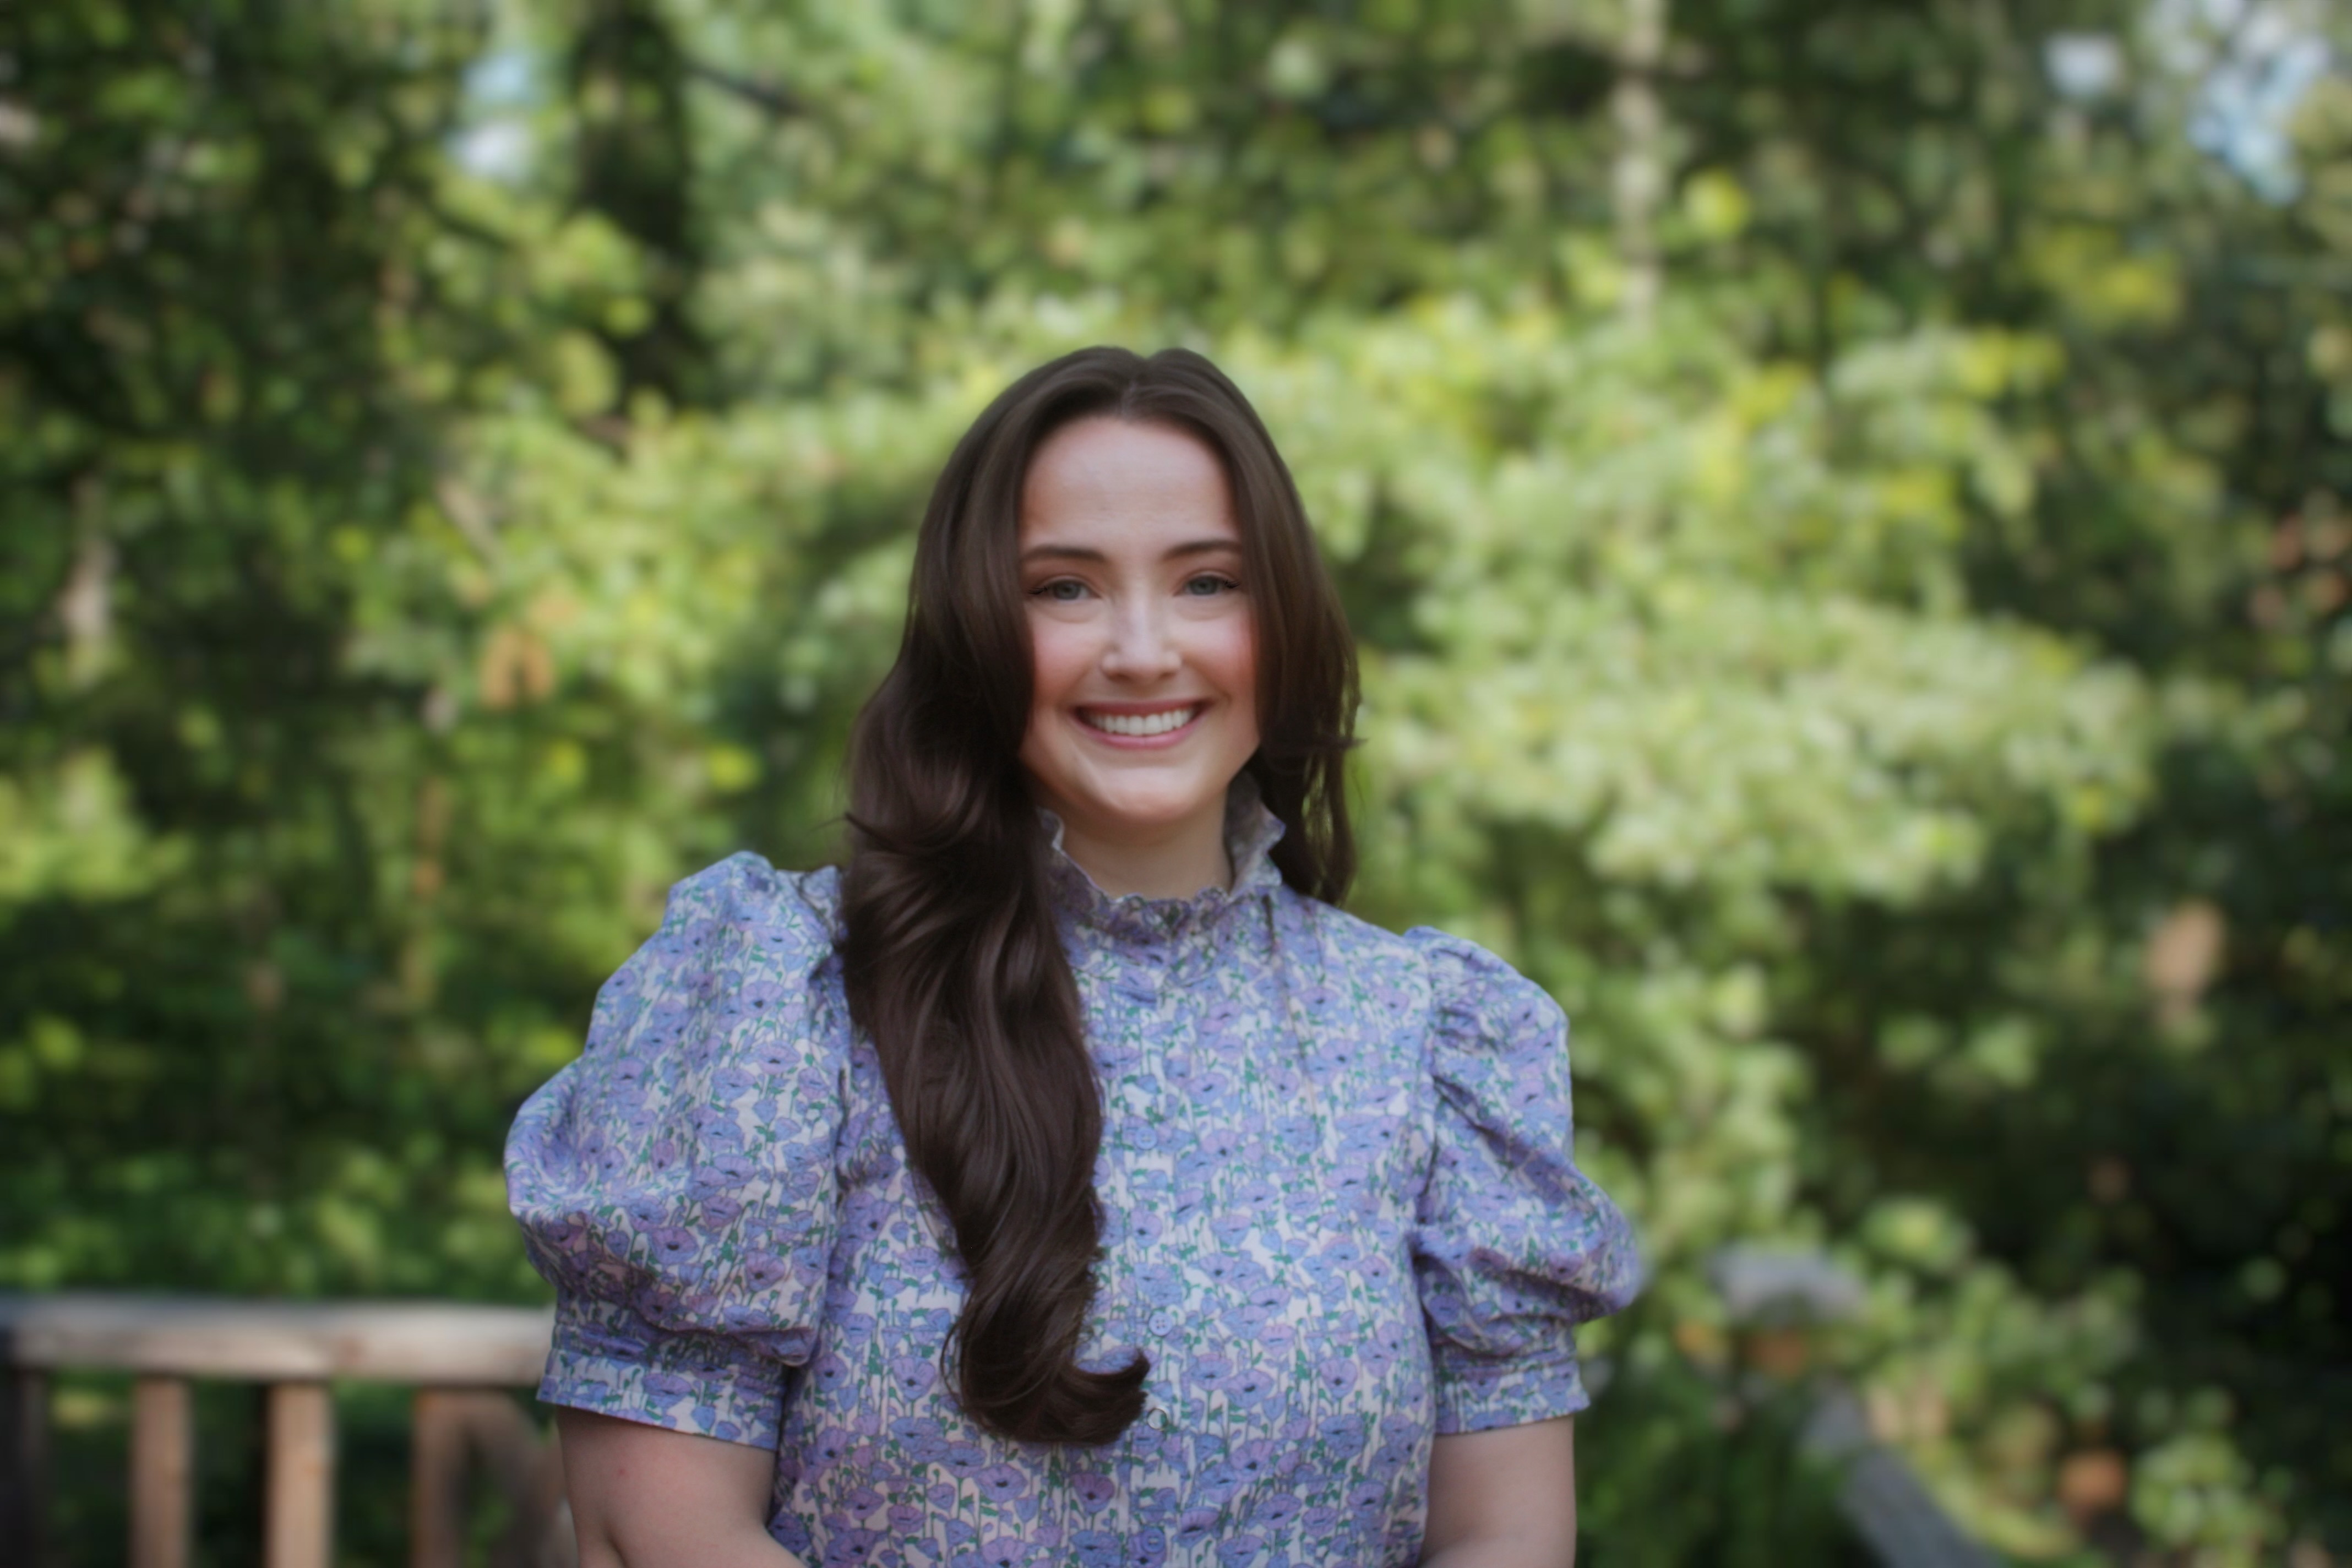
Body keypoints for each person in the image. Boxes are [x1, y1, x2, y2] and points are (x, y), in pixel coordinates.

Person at [505, 346, 1643, 1568]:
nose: (1143, 649)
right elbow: (655, 1532)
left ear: (1284, 623)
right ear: (975, 629)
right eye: (1065, 587)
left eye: (1208, 582)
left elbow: (1505, 1538)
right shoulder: (783, 1001)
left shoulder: (1429, 1035)